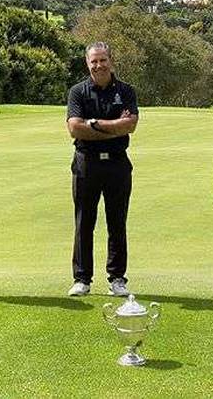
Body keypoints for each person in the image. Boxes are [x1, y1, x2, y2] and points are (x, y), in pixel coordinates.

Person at [66, 42, 138, 297]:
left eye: (103, 60)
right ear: (87, 63)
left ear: (111, 60)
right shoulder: (78, 92)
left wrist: (94, 124)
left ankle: (117, 278)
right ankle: (82, 279)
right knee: (84, 221)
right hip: (86, 163)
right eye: (94, 61)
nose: (99, 65)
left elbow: (130, 125)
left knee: (117, 222)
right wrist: (113, 126)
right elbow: (75, 128)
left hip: (118, 164)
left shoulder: (126, 91)